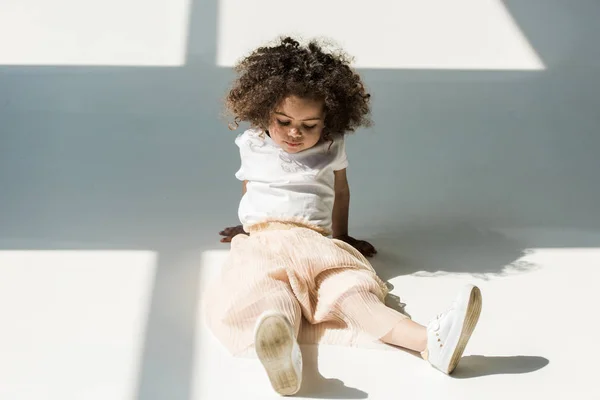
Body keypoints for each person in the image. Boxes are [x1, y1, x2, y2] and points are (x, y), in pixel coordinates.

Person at [204, 36, 482, 396]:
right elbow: (251, 186)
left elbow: (341, 192)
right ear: (262, 110)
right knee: (265, 293)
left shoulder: (331, 148)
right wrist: (248, 224)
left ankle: (431, 342)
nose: (294, 133)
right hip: (262, 242)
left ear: (328, 120)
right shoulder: (254, 143)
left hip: (316, 242)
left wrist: (343, 237)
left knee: (351, 292)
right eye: (283, 120)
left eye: (309, 125)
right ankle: (283, 354)